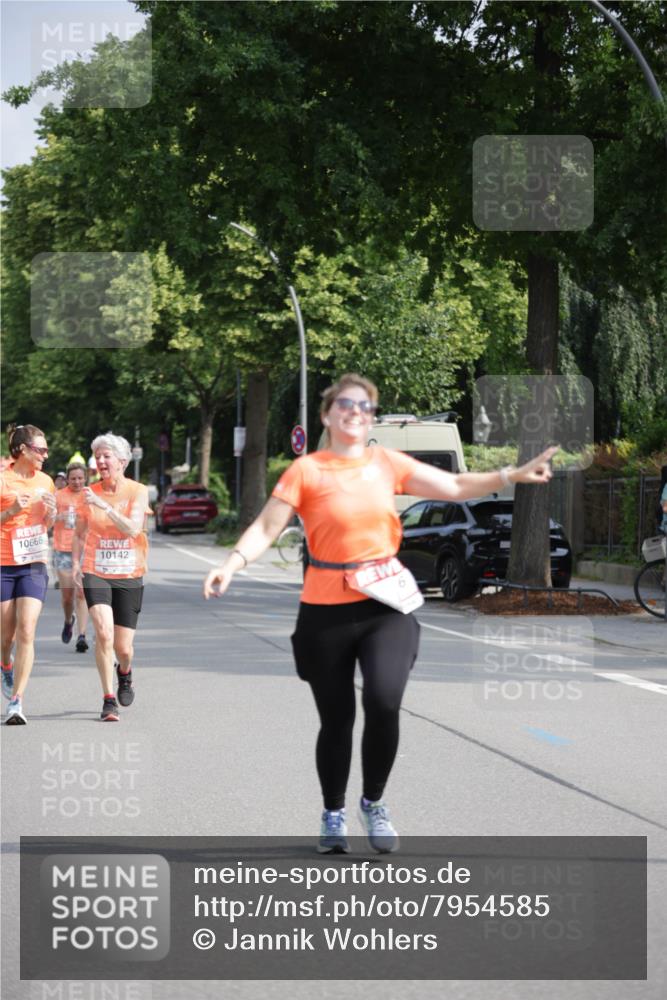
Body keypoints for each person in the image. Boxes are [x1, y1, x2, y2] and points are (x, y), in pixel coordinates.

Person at [203, 374, 557, 854]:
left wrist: (508, 476)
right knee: (337, 719)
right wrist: (230, 564)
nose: (355, 412)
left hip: (386, 605)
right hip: (325, 610)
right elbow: (267, 526)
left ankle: (373, 802)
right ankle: (332, 813)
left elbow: (453, 484)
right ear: (327, 414)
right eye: (345, 404)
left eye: (365, 406)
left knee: (385, 701)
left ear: (371, 419)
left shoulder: (386, 463)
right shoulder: (305, 471)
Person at [72, 434, 149, 722]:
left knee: (123, 648)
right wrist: (78, 564)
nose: (101, 461)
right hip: (97, 570)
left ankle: (125, 673)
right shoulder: (88, 493)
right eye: (98, 456)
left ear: (122, 461)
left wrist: (104, 506)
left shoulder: (138, 491)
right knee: (103, 633)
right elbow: (80, 532)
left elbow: (132, 529)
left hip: (129, 573)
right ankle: (108, 700)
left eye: (107, 456)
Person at [1, 424, 56, 724]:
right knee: (5, 636)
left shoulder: (47, 482)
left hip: (34, 563)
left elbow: (48, 525)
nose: (45, 455)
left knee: (26, 629)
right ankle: (4, 665)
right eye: (41, 449)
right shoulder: (2, 480)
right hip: (3, 564)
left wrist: (53, 515)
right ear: (23, 449)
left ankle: (17, 701)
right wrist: (10, 512)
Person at [53, 462, 90, 652]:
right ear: (67, 479)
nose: (77, 482)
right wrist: (56, 518)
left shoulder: (90, 496)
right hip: (63, 549)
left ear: (85, 478)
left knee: (82, 593)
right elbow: (46, 519)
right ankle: (69, 620)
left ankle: (81, 635)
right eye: (73, 478)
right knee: (68, 597)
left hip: (85, 550)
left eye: (80, 478)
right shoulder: (58, 496)